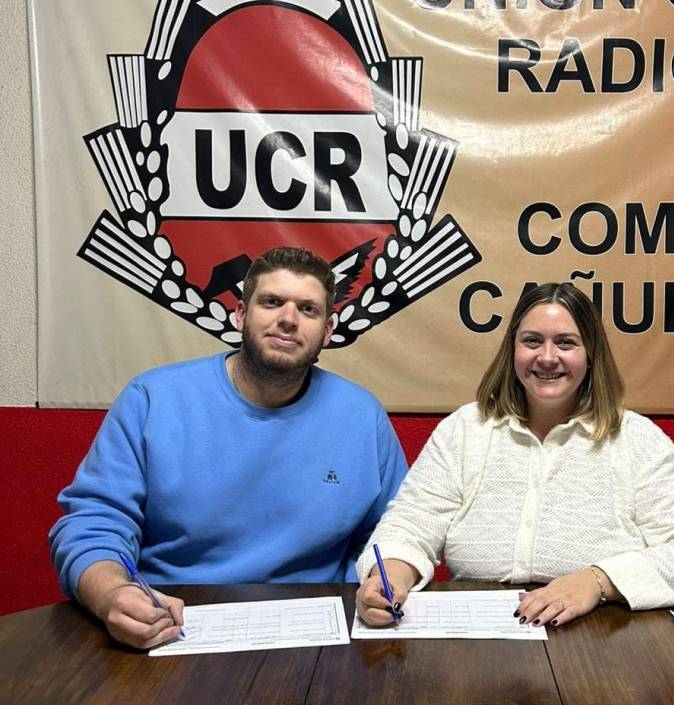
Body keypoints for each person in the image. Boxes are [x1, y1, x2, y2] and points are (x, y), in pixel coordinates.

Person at [50, 246, 408, 649]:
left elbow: (397, 530)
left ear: (327, 331)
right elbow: (94, 523)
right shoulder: (152, 399)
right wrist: (112, 594)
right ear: (240, 314)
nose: (288, 319)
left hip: (317, 626)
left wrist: (382, 582)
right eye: (271, 302)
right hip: (173, 621)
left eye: (308, 310)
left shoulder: (361, 414)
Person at [355, 282, 674, 627]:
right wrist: (391, 576)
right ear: (512, 349)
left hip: (603, 633)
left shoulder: (639, 440)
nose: (547, 357)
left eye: (566, 343)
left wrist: (597, 581)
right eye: (532, 341)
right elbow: (411, 524)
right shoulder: (465, 429)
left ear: (591, 354)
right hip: (481, 633)